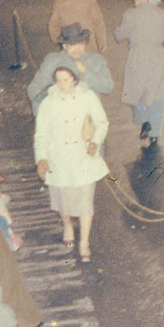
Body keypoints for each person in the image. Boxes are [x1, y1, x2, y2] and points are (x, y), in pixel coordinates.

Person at [34, 66, 109, 263]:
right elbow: (42, 133)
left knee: (85, 200)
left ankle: (84, 241)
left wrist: (95, 142)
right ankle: (67, 225)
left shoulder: (88, 97)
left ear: (74, 80)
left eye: (66, 79)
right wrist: (42, 158)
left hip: (82, 155)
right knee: (63, 197)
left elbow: (102, 122)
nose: (62, 84)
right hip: (58, 156)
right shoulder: (49, 102)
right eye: (58, 80)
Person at [114, 0, 164, 149]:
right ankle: (154, 135)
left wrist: (118, 31)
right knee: (158, 95)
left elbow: (119, 36)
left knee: (134, 92)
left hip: (138, 56)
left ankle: (144, 119)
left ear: (135, 1)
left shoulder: (130, 14)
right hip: (158, 56)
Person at [26, 23, 113, 114]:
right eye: (72, 45)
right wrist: (45, 114)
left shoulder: (95, 60)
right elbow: (34, 89)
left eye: (81, 44)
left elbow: (108, 86)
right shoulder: (53, 61)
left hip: (87, 116)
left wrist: (86, 72)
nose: (78, 49)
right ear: (64, 46)